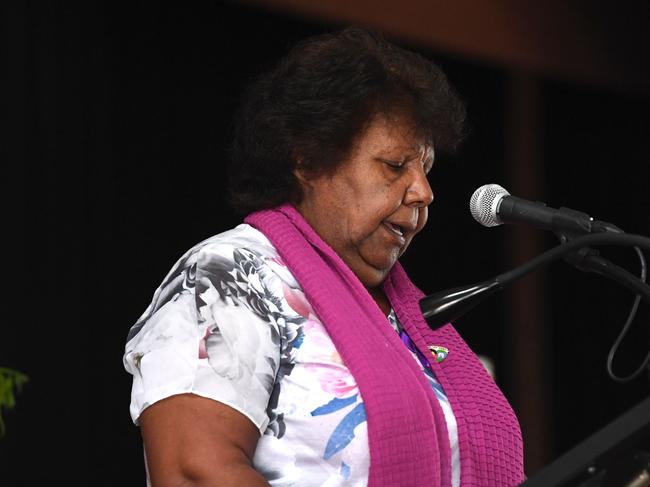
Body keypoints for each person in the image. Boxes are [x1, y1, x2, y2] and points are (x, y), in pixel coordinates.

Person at [123, 27, 524, 487]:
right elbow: (193, 473)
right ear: (309, 159)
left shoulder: (415, 321)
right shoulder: (231, 277)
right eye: (396, 165)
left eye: (426, 170)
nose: (425, 192)